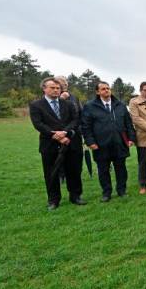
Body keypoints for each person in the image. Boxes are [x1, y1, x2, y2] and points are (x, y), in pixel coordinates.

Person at [29, 77, 85, 210]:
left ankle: (75, 196)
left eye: (58, 88)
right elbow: (38, 124)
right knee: (51, 173)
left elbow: (75, 120)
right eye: (52, 88)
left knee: (74, 171)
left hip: (70, 142)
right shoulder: (36, 105)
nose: (56, 90)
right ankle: (53, 200)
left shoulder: (68, 104)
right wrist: (55, 135)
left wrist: (64, 132)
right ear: (44, 88)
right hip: (49, 145)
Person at [81, 81, 136, 202]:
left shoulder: (120, 105)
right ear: (97, 92)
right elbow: (86, 126)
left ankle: (122, 190)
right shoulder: (90, 106)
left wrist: (131, 138)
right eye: (103, 89)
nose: (106, 90)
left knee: (121, 169)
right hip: (100, 145)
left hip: (119, 143)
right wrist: (90, 142)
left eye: (108, 88)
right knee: (103, 170)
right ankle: (106, 193)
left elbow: (128, 123)